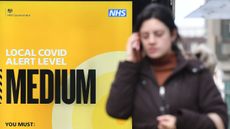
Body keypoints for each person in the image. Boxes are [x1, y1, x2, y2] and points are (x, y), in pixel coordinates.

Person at [106, 3, 228, 129]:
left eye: (158, 34)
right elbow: (116, 111)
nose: (151, 41)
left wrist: (182, 122)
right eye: (145, 36)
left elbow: (220, 121)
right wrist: (131, 62)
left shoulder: (195, 71)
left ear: (172, 34)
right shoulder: (135, 73)